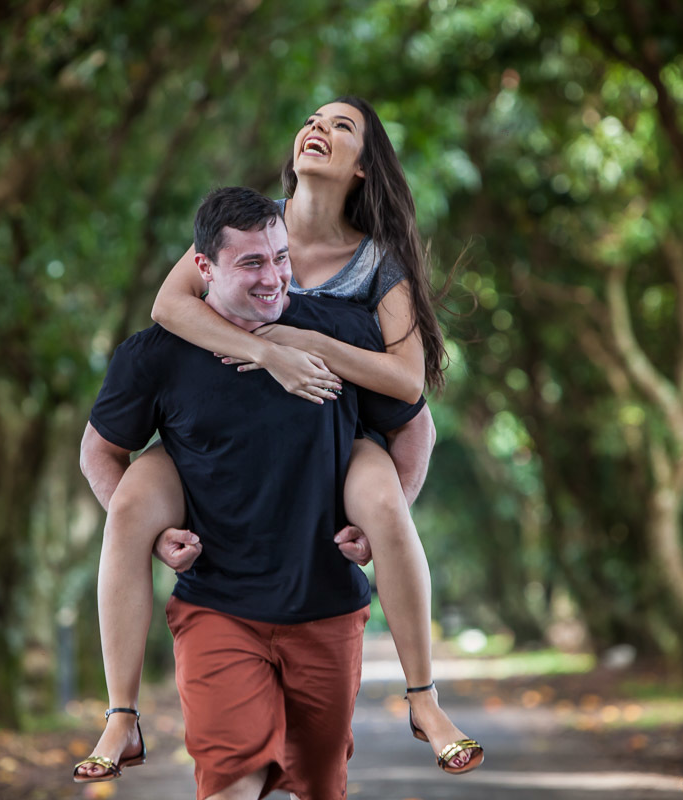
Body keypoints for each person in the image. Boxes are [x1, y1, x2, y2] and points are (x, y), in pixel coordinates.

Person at [75, 96, 483, 784]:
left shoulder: (376, 264)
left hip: (334, 435)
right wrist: (266, 354)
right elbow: (170, 306)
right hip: (217, 437)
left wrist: (303, 342)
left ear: (363, 168)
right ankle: (121, 712)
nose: (318, 128)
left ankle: (423, 698)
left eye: (341, 126)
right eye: (313, 119)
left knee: (384, 501)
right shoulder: (250, 223)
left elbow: (409, 391)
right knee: (133, 500)